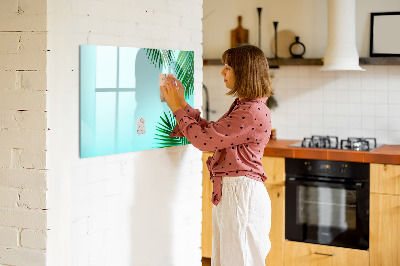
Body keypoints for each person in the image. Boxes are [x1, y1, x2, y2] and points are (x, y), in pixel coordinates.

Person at [161, 44, 273, 266]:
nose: (222, 72)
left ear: (244, 72)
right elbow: (212, 133)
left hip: (241, 195)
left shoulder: (250, 111)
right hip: (236, 193)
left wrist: (176, 109)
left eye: (228, 67)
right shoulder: (246, 106)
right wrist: (182, 104)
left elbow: (205, 141)